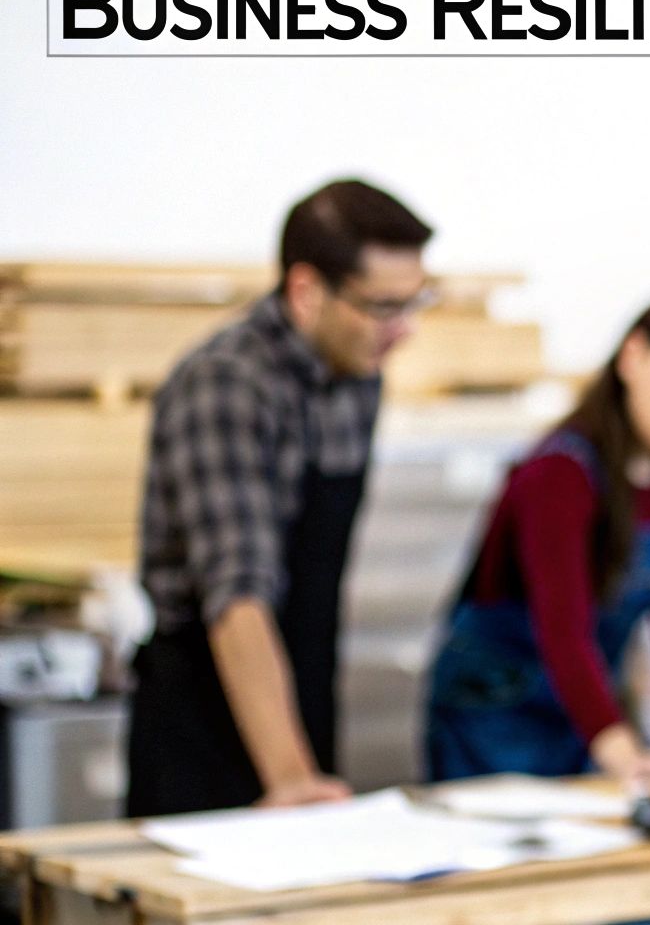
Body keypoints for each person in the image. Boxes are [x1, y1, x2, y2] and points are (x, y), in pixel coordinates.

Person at [127, 179, 434, 815]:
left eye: (415, 303)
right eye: (383, 307)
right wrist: (290, 778)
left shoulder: (357, 377)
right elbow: (237, 596)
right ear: (305, 291)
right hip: (204, 725)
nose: (403, 331)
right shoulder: (225, 385)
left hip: (306, 697)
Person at [424, 296, 650, 786]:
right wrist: (628, 759)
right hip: (493, 720)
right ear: (633, 356)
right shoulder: (559, 474)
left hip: (580, 721)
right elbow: (564, 633)